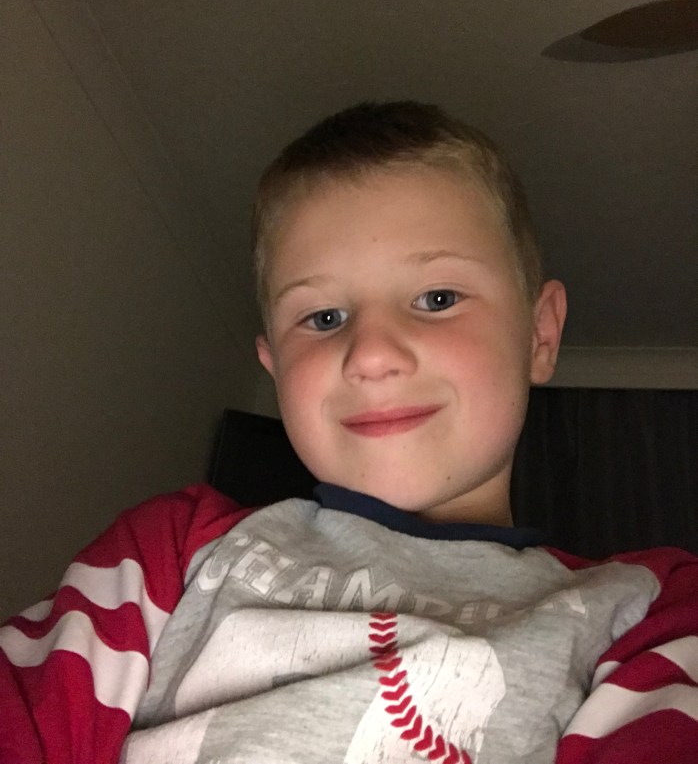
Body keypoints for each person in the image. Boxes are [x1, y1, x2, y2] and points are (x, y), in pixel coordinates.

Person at [1, 102, 696, 764]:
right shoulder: (174, 549)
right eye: (324, 318)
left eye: (437, 299)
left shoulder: (647, 607)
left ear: (539, 334)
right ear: (275, 369)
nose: (370, 354)